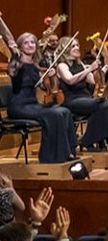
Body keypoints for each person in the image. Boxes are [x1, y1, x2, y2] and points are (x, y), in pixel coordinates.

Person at [4, 32, 78, 162]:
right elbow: (13, 73)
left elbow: (45, 88)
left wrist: (51, 75)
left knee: (65, 111)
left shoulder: (35, 66)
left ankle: (69, 152)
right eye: (26, 43)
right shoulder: (16, 64)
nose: (30, 45)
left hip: (33, 104)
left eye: (32, 42)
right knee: (55, 114)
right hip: (19, 106)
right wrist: (14, 55)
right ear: (20, 46)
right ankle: (51, 157)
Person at [55, 37, 108, 151]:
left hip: (85, 98)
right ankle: (88, 141)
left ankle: (100, 138)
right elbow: (70, 80)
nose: (77, 48)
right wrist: (89, 69)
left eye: (77, 45)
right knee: (103, 105)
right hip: (71, 100)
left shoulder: (80, 64)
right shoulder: (61, 66)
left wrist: (105, 66)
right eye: (73, 46)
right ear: (65, 48)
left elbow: (94, 80)